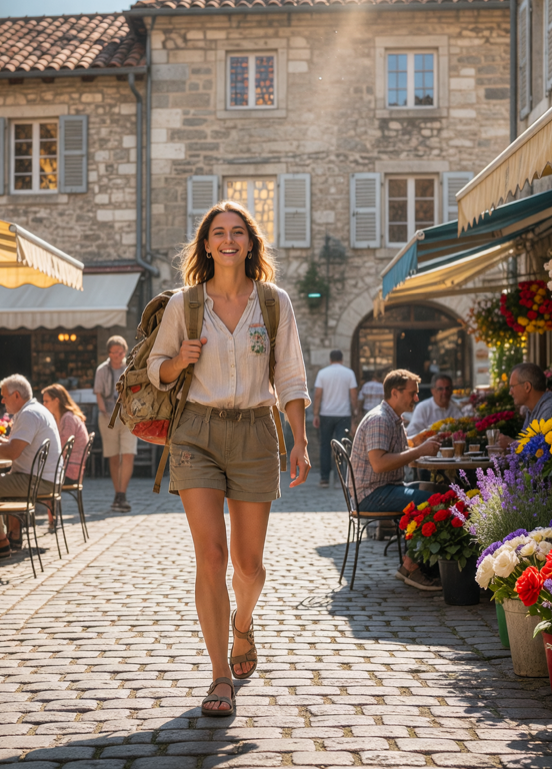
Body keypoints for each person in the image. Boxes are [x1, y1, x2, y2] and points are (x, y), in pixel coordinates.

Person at [148, 201, 310, 717]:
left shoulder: (274, 302)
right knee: (211, 558)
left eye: (237, 232)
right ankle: (219, 674)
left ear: (250, 242)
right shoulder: (185, 304)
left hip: (256, 435)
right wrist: (179, 359)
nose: (227, 240)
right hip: (196, 432)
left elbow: (290, 377)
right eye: (218, 232)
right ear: (206, 244)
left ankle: (243, 625)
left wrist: (299, 440)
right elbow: (157, 370)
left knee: (249, 564)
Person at [349, 369, 443, 591]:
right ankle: (411, 565)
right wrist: (419, 451)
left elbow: (392, 449)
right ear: (395, 392)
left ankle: (419, 563)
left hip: (385, 489)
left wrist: (415, 441)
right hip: (372, 495)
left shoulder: (392, 418)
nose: (417, 398)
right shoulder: (379, 420)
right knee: (433, 501)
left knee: (439, 491)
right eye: (413, 393)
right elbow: (379, 463)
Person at [0, 374, 61, 557]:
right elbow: (12, 444)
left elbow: (11, 453)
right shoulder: (31, 410)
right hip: (41, 477)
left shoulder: (28, 414)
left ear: (16, 395)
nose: (2, 400)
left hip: (37, 480)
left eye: (4, 396)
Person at [95, 335, 137, 513]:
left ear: (125, 352)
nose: (118, 355)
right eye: (114, 352)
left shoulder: (130, 369)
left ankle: (122, 493)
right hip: (108, 416)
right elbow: (98, 393)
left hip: (127, 415)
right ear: (109, 353)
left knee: (128, 454)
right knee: (113, 456)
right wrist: (104, 412)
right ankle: (117, 492)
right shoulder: (102, 370)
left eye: (120, 352)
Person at [41, 384, 91, 533]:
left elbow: (60, 449)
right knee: (42, 477)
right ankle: (52, 520)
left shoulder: (67, 419)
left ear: (56, 401)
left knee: (40, 480)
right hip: (71, 469)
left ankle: (53, 520)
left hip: (71, 472)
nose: (44, 405)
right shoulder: (64, 417)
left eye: (46, 401)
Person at [312, 350, 357, 488]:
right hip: (343, 414)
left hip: (326, 414)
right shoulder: (349, 373)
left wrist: (315, 414)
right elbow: (353, 395)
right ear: (342, 359)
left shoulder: (322, 373)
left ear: (330, 360)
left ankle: (324, 478)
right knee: (341, 446)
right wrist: (355, 413)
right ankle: (340, 479)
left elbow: (318, 395)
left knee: (325, 446)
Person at [498, 362, 552, 449]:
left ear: (527, 387)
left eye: (512, 386)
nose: (510, 392)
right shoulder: (532, 409)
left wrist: (511, 443)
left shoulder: (551, 410)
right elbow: (528, 446)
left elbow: (541, 454)